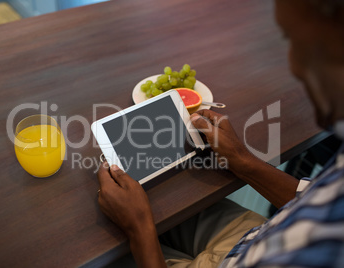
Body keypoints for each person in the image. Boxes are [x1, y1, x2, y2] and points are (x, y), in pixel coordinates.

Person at [97, 0, 344, 267]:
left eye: (298, 42)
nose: (293, 66)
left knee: (104, 252)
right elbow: (316, 201)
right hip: (257, 239)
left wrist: (139, 228)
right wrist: (242, 161)